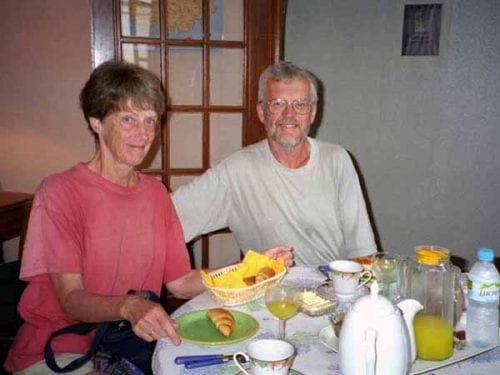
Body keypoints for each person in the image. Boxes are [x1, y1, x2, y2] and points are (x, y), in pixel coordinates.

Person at [4, 61, 292, 374]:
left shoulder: (155, 194)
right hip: (61, 348)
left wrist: (251, 269)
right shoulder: (60, 192)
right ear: (96, 121)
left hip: (132, 345)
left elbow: (180, 283)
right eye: (128, 119)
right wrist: (128, 307)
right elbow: (70, 299)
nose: (143, 134)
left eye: (151, 121)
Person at [173, 61, 376, 265]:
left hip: (334, 288)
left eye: (300, 104)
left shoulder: (337, 160)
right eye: (278, 103)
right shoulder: (236, 171)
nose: (289, 115)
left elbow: (363, 251)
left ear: (312, 113)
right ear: (262, 111)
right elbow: (166, 219)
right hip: (271, 293)